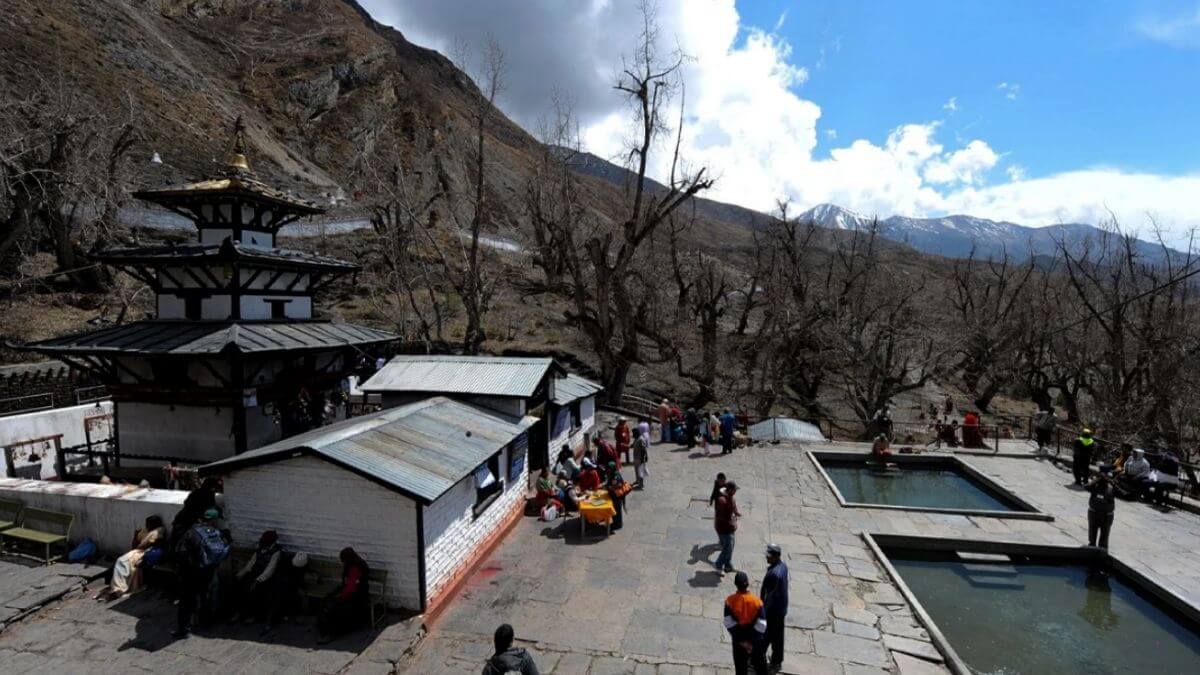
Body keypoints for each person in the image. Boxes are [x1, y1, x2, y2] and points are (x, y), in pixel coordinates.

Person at [174, 507, 229, 639]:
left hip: (191, 572)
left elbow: (180, 552)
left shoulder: (191, 533)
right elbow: (223, 550)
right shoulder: (217, 532)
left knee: (186, 600)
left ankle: (184, 630)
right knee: (207, 596)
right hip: (209, 570)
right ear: (214, 520)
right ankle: (206, 623)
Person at [95, 515, 166, 601]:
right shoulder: (144, 532)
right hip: (136, 551)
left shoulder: (157, 532)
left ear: (154, 524)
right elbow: (134, 546)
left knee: (123, 561)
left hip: (145, 553)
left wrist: (141, 546)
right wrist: (135, 535)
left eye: (148, 524)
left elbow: (145, 546)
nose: (146, 526)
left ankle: (119, 588)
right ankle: (117, 587)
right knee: (121, 561)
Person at [318, 547, 370, 643]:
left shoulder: (356, 567)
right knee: (327, 600)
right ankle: (325, 628)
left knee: (335, 607)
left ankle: (331, 632)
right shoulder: (352, 564)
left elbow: (351, 586)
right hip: (351, 591)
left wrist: (340, 596)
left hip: (357, 595)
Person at [232, 531, 284, 624]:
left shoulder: (276, 552)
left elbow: (270, 569)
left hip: (266, 578)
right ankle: (240, 612)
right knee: (240, 587)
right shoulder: (260, 549)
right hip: (254, 573)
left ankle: (253, 615)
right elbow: (251, 564)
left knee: (256, 591)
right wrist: (240, 575)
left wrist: (258, 580)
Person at [724, 571, 769, 675]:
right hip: (756, 642)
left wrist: (742, 640)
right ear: (747, 583)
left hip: (738, 642)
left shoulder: (729, 601)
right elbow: (762, 625)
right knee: (760, 666)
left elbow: (728, 623)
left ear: (735, 584)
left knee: (740, 669)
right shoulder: (757, 602)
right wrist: (751, 641)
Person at [760, 544, 789, 673]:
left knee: (766, 635)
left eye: (769, 556)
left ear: (776, 557)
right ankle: (776, 661)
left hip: (773, 610)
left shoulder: (774, 575)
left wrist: (762, 612)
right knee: (776, 636)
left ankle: (770, 662)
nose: (767, 558)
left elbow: (769, 597)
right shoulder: (783, 566)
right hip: (780, 608)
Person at [714, 481, 740, 573]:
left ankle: (728, 565)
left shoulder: (731, 498)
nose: (735, 492)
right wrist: (731, 521)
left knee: (731, 547)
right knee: (727, 548)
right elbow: (721, 517)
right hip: (724, 529)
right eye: (734, 490)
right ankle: (718, 565)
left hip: (730, 528)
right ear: (729, 490)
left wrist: (736, 512)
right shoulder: (722, 501)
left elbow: (734, 507)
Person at [1086, 472, 1116, 549]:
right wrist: (1095, 481)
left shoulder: (1111, 490)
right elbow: (1086, 487)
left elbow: (1123, 493)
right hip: (1094, 513)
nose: (1103, 481)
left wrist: (1112, 483)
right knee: (1092, 532)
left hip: (1106, 516)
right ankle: (1092, 547)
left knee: (1104, 534)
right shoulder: (1094, 487)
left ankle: (1102, 549)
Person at [606, 462, 628, 531]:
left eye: (610, 468)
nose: (608, 470)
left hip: (617, 496)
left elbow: (615, 486)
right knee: (616, 510)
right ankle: (617, 523)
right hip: (616, 496)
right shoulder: (614, 473)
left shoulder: (615, 476)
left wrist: (608, 487)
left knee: (616, 510)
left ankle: (617, 525)